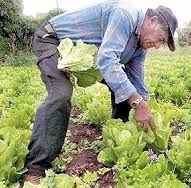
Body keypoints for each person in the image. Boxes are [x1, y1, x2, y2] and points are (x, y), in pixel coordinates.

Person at [22, 0, 178, 184]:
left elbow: (137, 84)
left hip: (83, 55)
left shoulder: (139, 47)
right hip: (52, 40)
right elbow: (107, 59)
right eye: (160, 39)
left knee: (124, 87)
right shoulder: (125, 14)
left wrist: (147, 108)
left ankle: (122, 136)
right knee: (61, 93)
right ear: (151, 21)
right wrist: (137, 102)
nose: (157, 46)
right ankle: (35, 168)